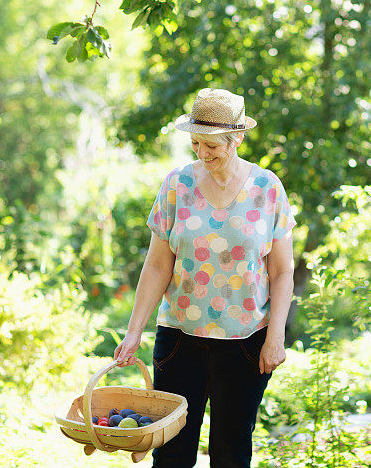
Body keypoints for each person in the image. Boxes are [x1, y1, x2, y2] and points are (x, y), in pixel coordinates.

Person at [113, 88, 296, 468]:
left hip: (246, 342)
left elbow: (281, 271)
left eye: (212, 145)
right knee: (172, 452)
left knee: (231, 452)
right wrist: (134, 331)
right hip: (181, 339)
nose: (202, 152)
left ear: (237, 139)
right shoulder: (176, 185)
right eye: (196, 143)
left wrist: (275, 337)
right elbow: (158, 265)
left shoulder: (267, 189)